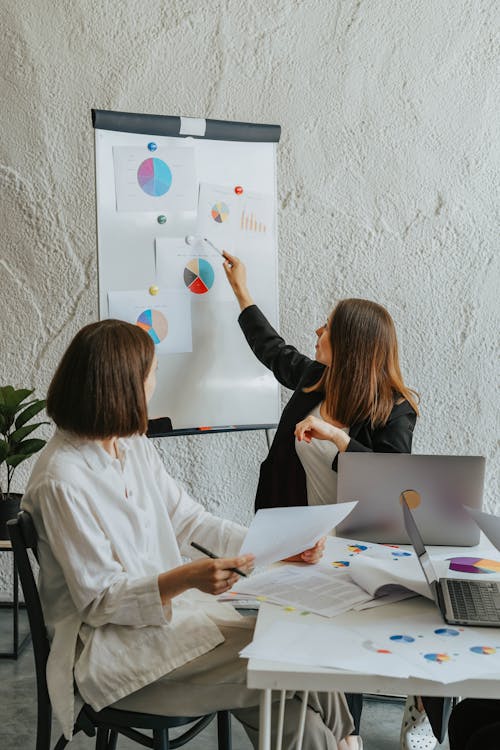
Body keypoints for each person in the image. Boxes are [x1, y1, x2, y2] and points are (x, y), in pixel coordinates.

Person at [21, 318, 354, 749]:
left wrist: (277, 549)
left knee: (293, 660)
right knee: (285, 661)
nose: (157, 382)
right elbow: (101, 601)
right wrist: (189, 577)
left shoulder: (129, 442)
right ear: (122, 386)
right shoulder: (61, 480)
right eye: (153, 372)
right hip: (114, 657)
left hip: (168, 627)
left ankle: (347, 740)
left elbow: (190, 520)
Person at [223, 252, 426, 750]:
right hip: (298, 536)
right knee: (298, 639)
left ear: (352, 344)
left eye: (328, 327)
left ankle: (360, 729)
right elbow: (272, 350)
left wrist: (338, 438)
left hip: (357, 546)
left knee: (336, 641)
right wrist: (241, 291)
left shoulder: (395, 409)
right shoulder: (316, 377)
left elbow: (391, 488)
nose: (318, 330)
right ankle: (342, 736)